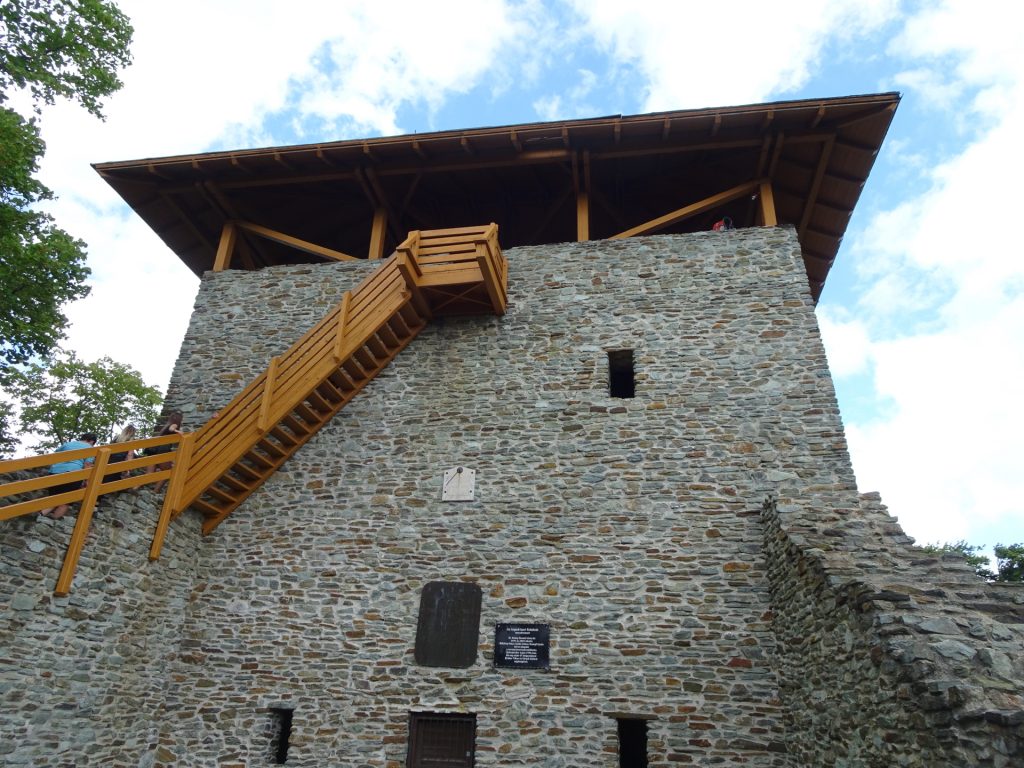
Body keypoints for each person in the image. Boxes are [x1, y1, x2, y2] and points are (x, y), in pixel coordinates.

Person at [39, 433, 98, 519]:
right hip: (73, 474)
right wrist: (87, 481)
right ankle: (51, 521)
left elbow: (54, 456)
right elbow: (87, 465)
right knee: (65, 502)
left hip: (55, 472)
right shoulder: (90, 448)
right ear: (92, 441)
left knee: (53, 498)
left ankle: (41, 515)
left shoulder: (68, 444)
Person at [145, 411, 184, 492]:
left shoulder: (165, 427)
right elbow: (172, 429)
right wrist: (179, 432)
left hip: (154, 452)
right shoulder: (174, 425)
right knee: (169, 471)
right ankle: (155, 491)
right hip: (162, 452)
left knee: (148, 474)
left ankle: (135, 487)